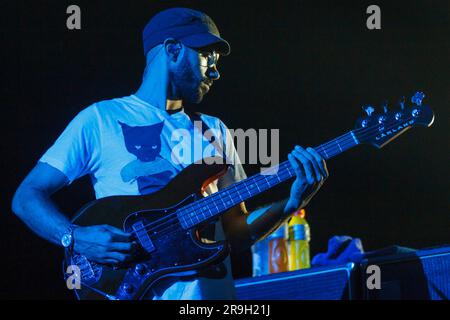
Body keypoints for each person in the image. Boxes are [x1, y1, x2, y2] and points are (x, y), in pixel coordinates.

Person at [11, 7, 328, 300]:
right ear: (173, 49)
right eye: (207, 57)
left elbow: (237, 232)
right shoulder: (99, 119)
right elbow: (27, 196)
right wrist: (75, 237)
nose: (215, 72)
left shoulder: (213, 130)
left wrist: (292, 202)